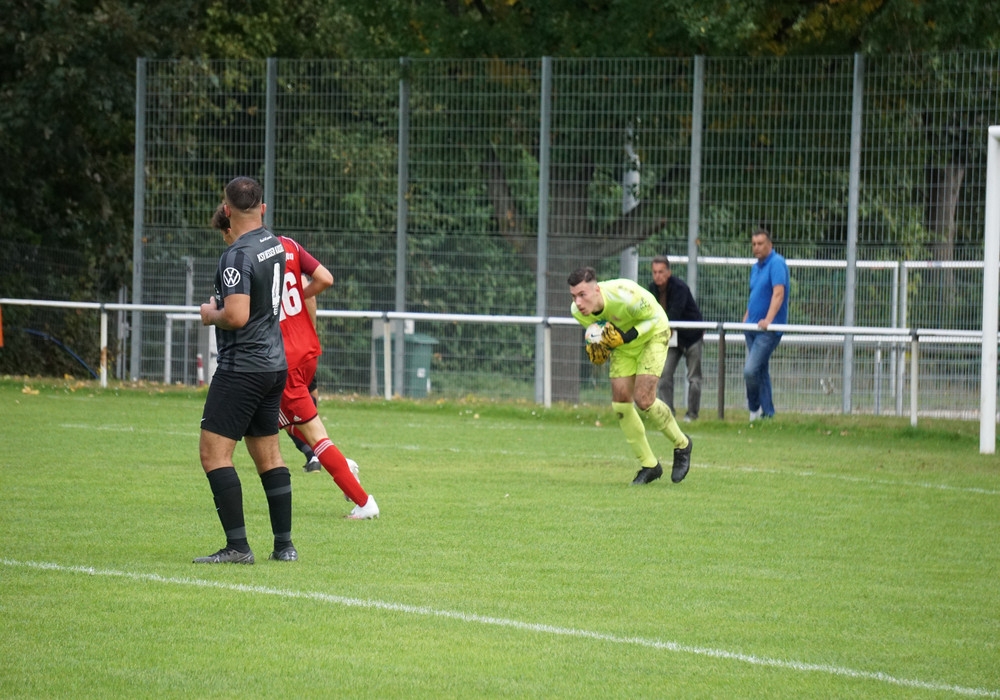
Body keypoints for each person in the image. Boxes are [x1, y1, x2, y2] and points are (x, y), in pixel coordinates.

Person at [212, 206, 379, 519]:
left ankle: (361, 499)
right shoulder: (286, 245)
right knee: (276, 420)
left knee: (311, 432)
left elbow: (242, 313)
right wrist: (300, 296)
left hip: (283, 356)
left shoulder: (246, 258)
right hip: (307, 348)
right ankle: (336, 463)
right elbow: (325, 278)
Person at [194, 176, 295, 564]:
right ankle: (284, 546)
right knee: (269, 455)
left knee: (213, 455)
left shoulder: (237, 255)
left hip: (242, 368)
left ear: (227, 209)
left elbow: (235, 316)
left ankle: (237, 547)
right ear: (263, 209)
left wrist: (209, 314)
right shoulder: (274, 243)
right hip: (273, 364)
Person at [569, 267, 692, 485]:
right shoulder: (578, 313)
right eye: (574, 296)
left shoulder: (624, 295)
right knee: (621, 405)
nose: (578, 303)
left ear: (596, 290)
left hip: (652, 334)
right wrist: (601, 350)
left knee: (644, 399)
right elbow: (604, 336)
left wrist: (626, 337)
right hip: (624, 348)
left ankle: (682, 444)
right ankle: (649, 465)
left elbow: (654, 319)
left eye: (582, 295)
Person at [647, 255, 704, 422]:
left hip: (691, 336)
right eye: (655, 272)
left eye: (661, 272)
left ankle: (692, 415)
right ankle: (667, 414)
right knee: (664, 374)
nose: (658, 276)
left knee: (694, 378)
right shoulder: (652, 289)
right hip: (672, 338)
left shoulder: (680, 288)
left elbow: (674, 314)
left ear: (669, 272)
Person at [742, 228, 790, 421]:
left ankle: (754, 409)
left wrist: (768, 321)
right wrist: (746, 317)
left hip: (767, 330)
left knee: (750, 370)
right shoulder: (756, 267)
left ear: (769, 244)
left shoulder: (777, 263)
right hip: (752, 328)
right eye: (754, 244)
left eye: (760, 244)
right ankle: (768, 414)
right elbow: (755, 295)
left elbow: (778, 294)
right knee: (760, 371)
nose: (756, 248)